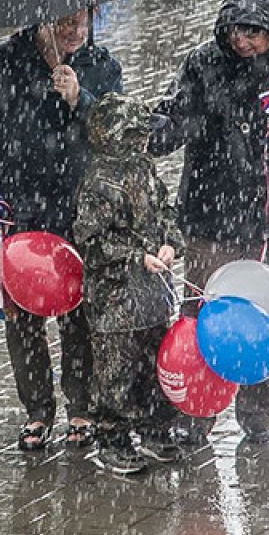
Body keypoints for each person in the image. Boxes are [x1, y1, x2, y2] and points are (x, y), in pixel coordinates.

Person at [150, 0, 269, 452]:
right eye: (236, 31)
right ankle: (195, 413)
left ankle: (262, 419)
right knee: (201, 315)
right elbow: (176, 119)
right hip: (211, 216)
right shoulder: (202, 65)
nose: (243, 42)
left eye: (254, 33)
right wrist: (147, 130)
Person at [0, 8, 122, 452]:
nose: (75, 31)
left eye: (82, 21)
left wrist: (80, 100)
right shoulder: (3, 62)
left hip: (79, 209)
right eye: (64, 22)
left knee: (78, 312)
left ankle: (81, 406)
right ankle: (36, 409)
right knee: (23, 313)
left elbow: (119, 135)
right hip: (22, 208)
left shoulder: (102, 66)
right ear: (41, 21)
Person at [72, 92, 184, 475]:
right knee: (116, 370)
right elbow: (92, 240)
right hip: (114, 299)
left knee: (153, 362)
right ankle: (113, 437)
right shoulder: (97, 182)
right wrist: (134, 255)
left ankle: (154, 428)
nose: (144, 142)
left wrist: (170, 241)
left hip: (152, 294)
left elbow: (166, 210)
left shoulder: (146, 169)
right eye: (135, 135)